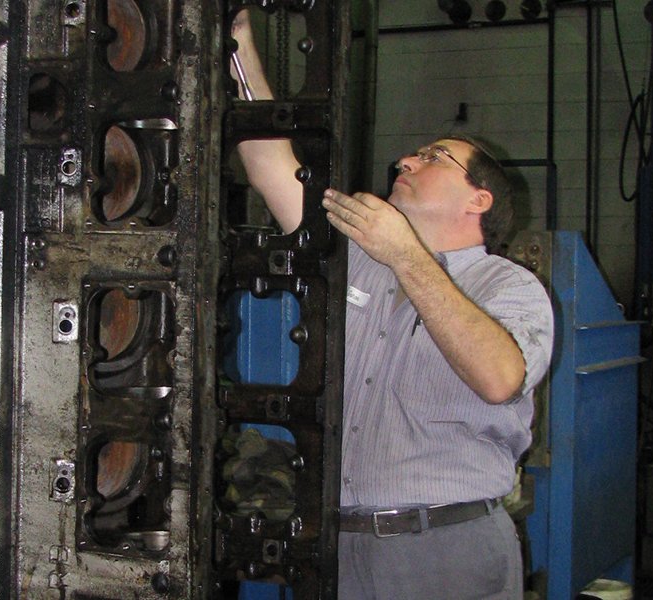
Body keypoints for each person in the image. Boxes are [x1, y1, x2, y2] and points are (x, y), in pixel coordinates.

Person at [230, 11, 555, 599]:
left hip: (446, 548)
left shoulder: (510, 289)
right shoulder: (362, 258)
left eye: (434, 158)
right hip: (342, 543)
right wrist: (238, 42)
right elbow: (269, 163)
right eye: (412, 155)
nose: (406, 161)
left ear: (479, 199)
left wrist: (406, 255)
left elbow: (501, 378)